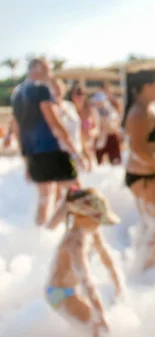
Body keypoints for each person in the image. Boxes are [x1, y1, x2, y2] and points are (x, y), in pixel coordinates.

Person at [11, 57, 83, 225]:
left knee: (45, 197)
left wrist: (25, 157)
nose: (50, 74)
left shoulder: (17, 92)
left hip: (33, 153)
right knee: (77, 191)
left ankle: (39, 238)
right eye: (48, 70)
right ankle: (58, 230)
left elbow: (16, 128)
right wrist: (74, 150)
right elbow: (53, 122)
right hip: (51, 149)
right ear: (37, 69)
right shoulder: (41, 89)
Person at [44, 187, 123, 337]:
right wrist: (100, 314)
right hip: (59, 293)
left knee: (88, 327)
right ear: (81, 216)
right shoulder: (74, 242)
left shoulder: (91, 230)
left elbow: (106, 256)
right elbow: (85, 280)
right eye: (97, 219)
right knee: (96, 330)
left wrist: (118, 282)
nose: (99, 224)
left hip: (71, 288)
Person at [122, 70, 155, 273]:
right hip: (143, 177)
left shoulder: (146, 109)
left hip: (145, 176)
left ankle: (141, 267)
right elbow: (138, 150)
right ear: (140, 89)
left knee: (151, 224)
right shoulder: (139, 112)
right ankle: (146, 270)